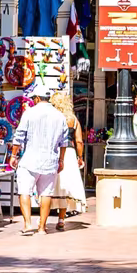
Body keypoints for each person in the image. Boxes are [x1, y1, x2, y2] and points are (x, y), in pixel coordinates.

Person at [9, 85, 69, 236]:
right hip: (50, 160)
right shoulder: (60, 116)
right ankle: (42, 227)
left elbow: (19, 137)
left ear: (36, 98)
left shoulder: (29, 113)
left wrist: (13, 155)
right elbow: (64, 142)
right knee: (46, 194)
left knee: (24, 191)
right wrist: (61, 160)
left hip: (30, 160)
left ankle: (28, 224)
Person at [48, 91, 86, 231]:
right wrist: (80, 157)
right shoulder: (73, 119)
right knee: (64, 186)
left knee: (49, 185)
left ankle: (43, 218)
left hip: (53, 151)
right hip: (69, 153)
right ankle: (61, 219)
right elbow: (79, 141)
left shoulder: (51, 118)